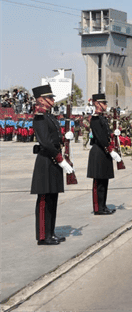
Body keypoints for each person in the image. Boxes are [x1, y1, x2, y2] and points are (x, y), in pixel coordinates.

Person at [30, 84, 74, 245]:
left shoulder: (49, 116)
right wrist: (60, 159)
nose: (52, 100)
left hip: (54, 160)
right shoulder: (40, 117)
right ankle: (43, 236)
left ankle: (51, 232)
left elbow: (54, 139)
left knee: (52, 198)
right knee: (44, 199)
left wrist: (65, 138)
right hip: (46, 160)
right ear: (41, 100)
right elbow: (46, 143)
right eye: (49, 97)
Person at [87, 94, 123, 215]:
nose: (106, 105)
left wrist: (113, 134)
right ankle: (98, 208)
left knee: (104, 181)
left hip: (104, 151)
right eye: (104, 103)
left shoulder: (102, 118)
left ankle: (103, 205)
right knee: (98, 182)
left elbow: (106, 134)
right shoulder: (96, 119)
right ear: (97, 104)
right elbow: (101, 137)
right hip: (99, 151)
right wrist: (110, 150)